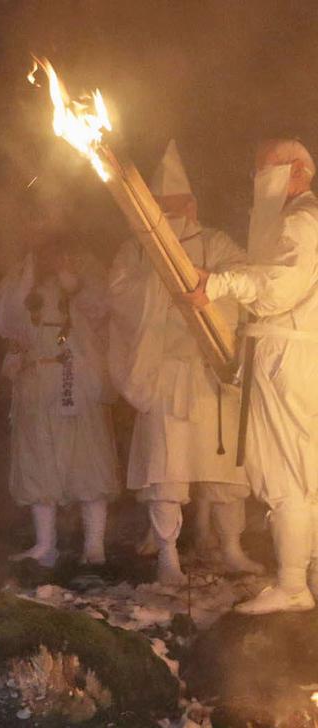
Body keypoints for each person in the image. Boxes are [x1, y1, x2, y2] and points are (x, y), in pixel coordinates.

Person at [109, 140, 261, 585]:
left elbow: (244, 282)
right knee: (166, 471)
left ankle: (231, 547)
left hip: (212, 373)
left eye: (174, 205)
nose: (166, 213)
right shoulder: (137, 250)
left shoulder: (217, 243)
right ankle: (167, 556)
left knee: (225, 469)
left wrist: (208, 289)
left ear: (191, 204)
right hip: (165, 375)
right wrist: (157, 288)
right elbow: (119, 296)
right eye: (158, 206)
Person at [184, 138, 318, 614]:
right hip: (291, 353)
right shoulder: (300, 220)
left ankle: (292, 585)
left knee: (287, 472)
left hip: (289, 356)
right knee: (305, 472)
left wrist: (218, 282)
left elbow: (278, 287)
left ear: (299, 172)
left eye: (268, 171)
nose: (260, 182)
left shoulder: (302, 222)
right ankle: (307, 575)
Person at [0, 236, 119, 568]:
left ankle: (95, 547)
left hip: (78, 377)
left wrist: (74, 285)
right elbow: (6, 321)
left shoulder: (86, 266)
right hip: (36, 379)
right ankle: (45, 545)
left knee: (87, 459)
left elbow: (105, 308)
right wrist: (27, 278)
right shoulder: (22, 271)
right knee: (37, 461)